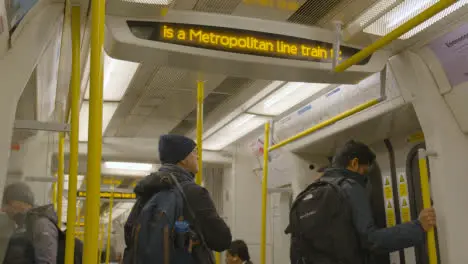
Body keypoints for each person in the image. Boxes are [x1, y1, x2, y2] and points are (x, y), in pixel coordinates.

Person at [287, 140, 437, 264]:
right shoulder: (349, 187)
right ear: (354, 163)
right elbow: (372, 240)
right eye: (364, 172)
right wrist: (418, 227)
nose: (364, 179)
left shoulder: (310, 191)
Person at [123, 134, 232, 263]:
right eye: (194, 152)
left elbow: (129, 235)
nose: (197, 156)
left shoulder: (147, 191)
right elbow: (221, 240)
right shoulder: (194, 193)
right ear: (183, 159)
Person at [1, 182, 59, 264]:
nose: (4, 209)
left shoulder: (41, 225)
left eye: (8, 204)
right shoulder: (23, 226)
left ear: (20, 203)